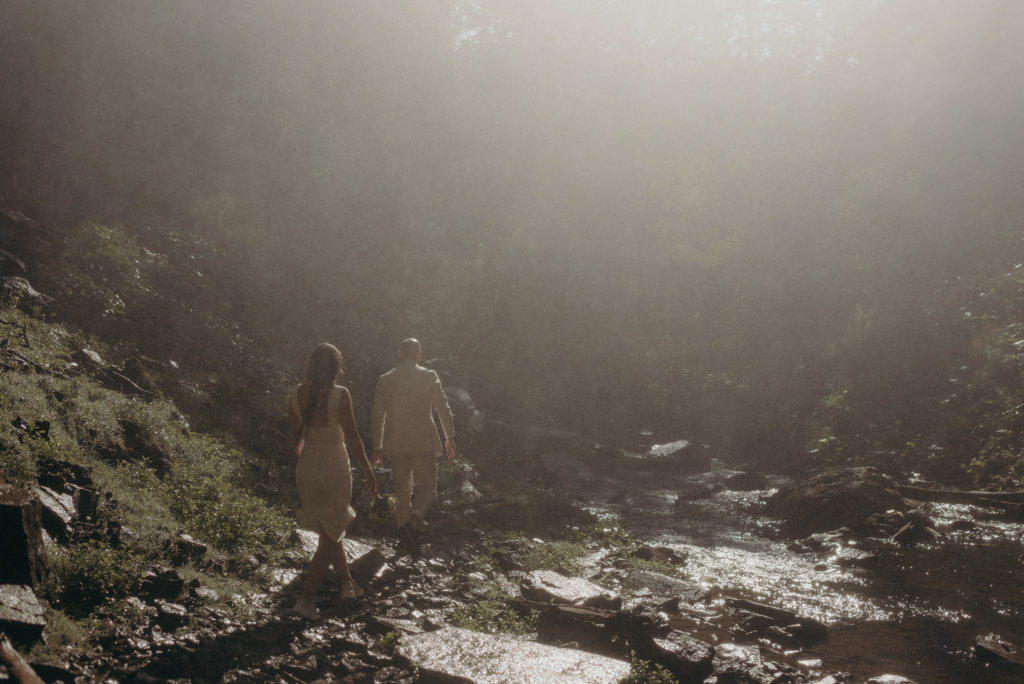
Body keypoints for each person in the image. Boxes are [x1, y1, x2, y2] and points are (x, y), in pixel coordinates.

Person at [289, 343, 377, 619]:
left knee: (330, 527)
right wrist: (368, 471)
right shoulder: (340, 394)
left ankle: (347, 584)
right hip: (334, 466)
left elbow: (296, 441)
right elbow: (352, 438)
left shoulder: (294, 394)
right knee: (330, 534)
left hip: (307, 467)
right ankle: (305, 600)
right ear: (336, 368)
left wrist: (308, 464)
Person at [371, 338, 456, 550]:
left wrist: (377, 445)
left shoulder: (387, 379)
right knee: (428, 485)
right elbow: (442, 408)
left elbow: (378, 414)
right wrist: (449, 437)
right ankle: (413, 522)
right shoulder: (428, 376)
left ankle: (402, 527)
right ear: (419, 354)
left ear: (400, 353)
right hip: (423, 438)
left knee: (402, 487)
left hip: (397, 439)